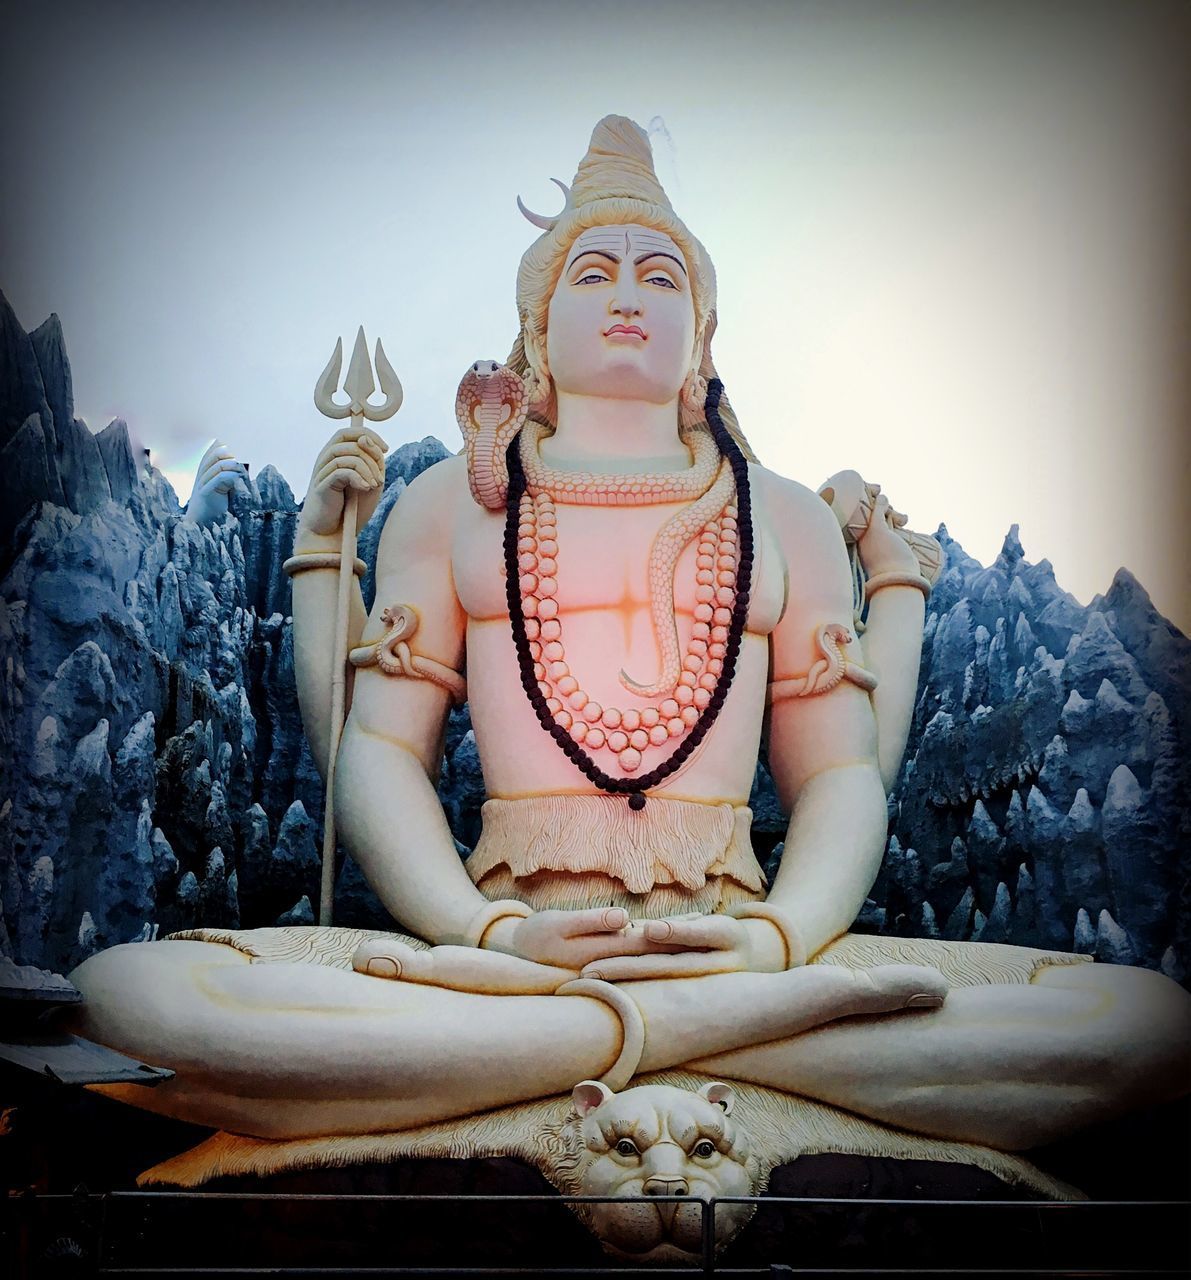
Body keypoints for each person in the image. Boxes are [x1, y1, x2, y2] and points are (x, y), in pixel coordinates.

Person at [71, 117, 1188, 1150]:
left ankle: (568, 1056)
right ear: (537, 323)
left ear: (701, 331)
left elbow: (843, 771)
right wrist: (485, 932)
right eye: (591, 271)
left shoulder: (781, 512)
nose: (626, 296)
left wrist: (777, 940)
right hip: (509, 954)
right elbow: (377, 752)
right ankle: (728, 1047)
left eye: (661, 277)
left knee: (1142, 1021)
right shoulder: (455, 506)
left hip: (738, 939)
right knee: (136, 996)